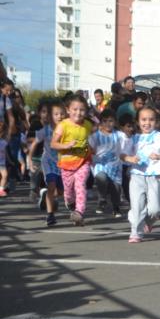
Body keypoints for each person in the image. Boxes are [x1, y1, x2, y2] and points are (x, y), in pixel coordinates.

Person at [120, 106, 160, 243]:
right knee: (137, 205)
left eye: (151, 119)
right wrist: (130, 159)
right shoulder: (134, 138)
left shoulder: (159, 137)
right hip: (137, 175)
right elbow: (122, 154)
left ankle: (148, 222)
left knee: (155, 210)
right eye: (143, 119)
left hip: (155, 176)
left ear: (156, 122)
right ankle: (135, 233)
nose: (147, 123)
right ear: (138, 121)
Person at [50, 95, 93, 226]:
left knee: (80, 185)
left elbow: (88, 142)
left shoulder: (87, 125)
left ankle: (79, 212)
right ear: (68, 110)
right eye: (75, 109)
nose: (78, 113)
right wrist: (66, 146)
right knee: (68, 192)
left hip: (83, 161)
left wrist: (92, 151)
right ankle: (71, 204)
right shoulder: (63, 125)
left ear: (86, 112)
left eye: (82, 110)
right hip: (66, 164)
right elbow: (53, 144)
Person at [88, 109, 124, 217]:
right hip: (100, 164)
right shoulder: (95, 136)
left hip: (115, 166)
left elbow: (128, 143)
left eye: (111, 121)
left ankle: (116, 207)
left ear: (115, 122)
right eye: (105, 121)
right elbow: (89, 148)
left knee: (116, 189)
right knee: (101, 178)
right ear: (100, 122)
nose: (108, 124)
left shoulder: (119, 135)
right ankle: (102, 199)